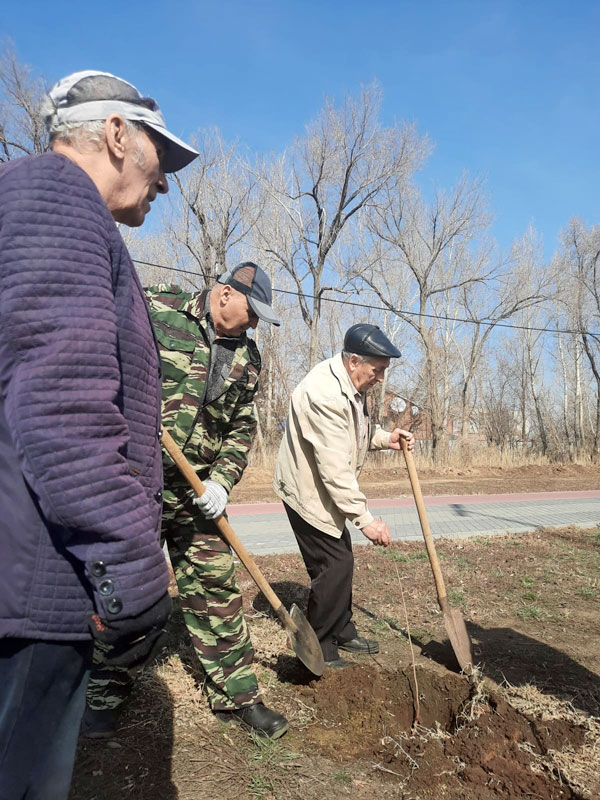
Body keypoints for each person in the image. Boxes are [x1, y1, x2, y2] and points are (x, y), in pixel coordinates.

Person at [0, 70, 198, 799]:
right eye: (159, 158)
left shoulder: (45, 206)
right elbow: (62, 404)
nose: (164, 185)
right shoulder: (56, 197)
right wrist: (131, 564)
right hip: (30, 589)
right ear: (116, 134)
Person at [84, 262, 289, 740]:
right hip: (135, 482)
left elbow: (241, 428)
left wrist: (221, 482)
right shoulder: (158, 307)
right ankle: (103, 693)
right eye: (252, 312)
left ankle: (239, 695)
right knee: (129, 592)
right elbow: (100, 355)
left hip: (196, 494)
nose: (255, 323)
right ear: (223, 296)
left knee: (216, 584)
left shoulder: (249, 360)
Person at [273, 324, 415, 668]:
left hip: (325, 488)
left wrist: (385, 439)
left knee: (342, 557)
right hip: (307, 491)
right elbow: (335, 469)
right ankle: (319, 644)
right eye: (376, 371)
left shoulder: (349, 385)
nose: (380, 379)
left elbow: (354, 433)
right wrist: (365, 520)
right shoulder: (324, 393)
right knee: (333, 566)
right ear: (354, 361)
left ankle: (342, 629)